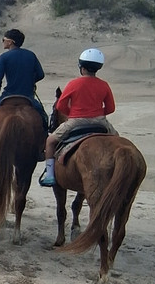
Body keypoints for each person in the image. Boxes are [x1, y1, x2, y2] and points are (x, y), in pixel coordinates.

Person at [39, 48, 118, 187]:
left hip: (76, 121)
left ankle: (50, 175)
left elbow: (61, 105)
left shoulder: (73, 84)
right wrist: (98, 113)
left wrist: (72, 114)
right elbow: (111, 108)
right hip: (100, 121)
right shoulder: (104, 85)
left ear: (81, 67)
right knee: (117, 141)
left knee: (50, 141)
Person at [0, 28, 46, 155]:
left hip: (8, 96)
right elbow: (41, 74)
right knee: (43, 116)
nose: (2, 42)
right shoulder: (31, 55)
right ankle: (42, 146)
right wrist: (29, 81)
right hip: (27, 97)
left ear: (11, 42)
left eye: (4, 40)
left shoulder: (4, 57)